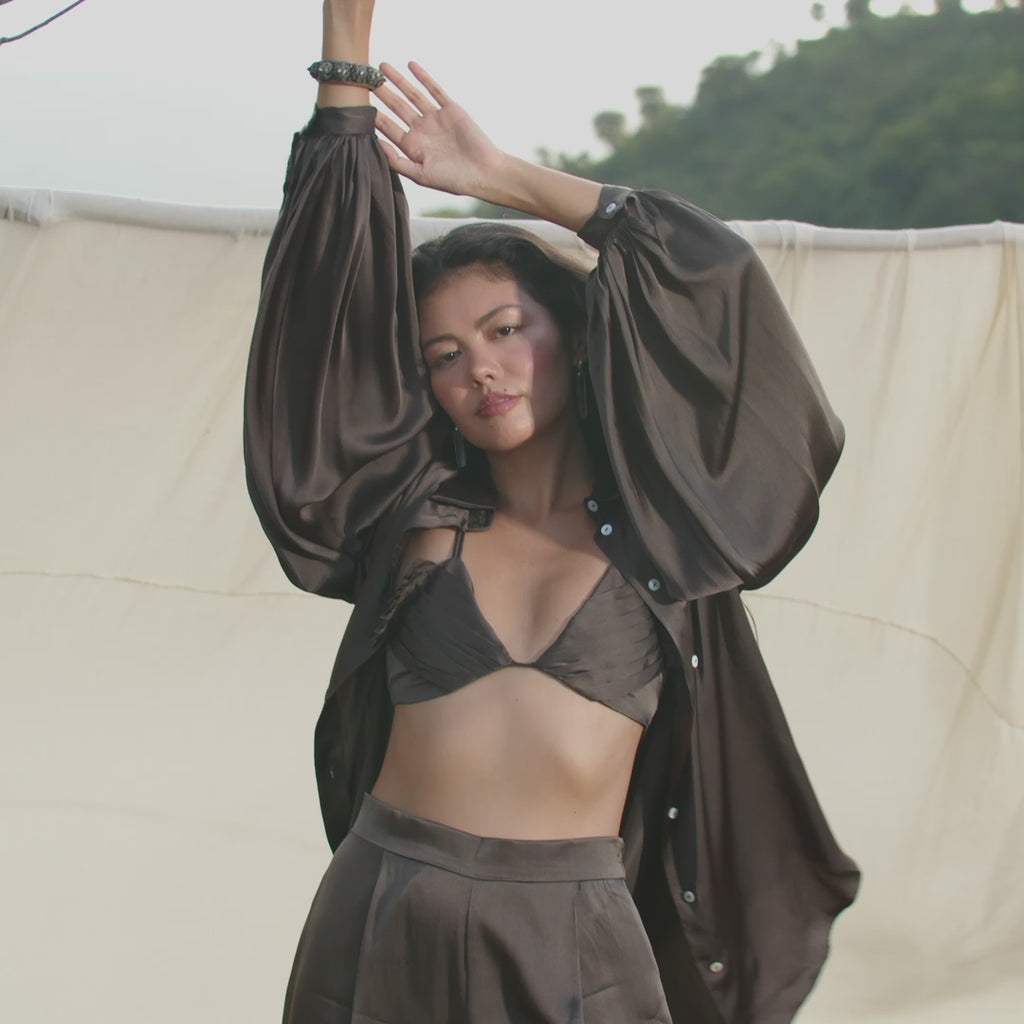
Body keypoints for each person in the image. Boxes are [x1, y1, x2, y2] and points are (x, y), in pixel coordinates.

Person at [244, 2, 861, 1022]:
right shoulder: (412, 518)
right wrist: (344, 53)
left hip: (575, 935)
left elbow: (713, 282)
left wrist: (501, 178)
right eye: (444, 356)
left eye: (505, 330)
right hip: (384, 907)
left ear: (573, 335)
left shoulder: (675, 534)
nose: (480, 369)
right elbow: (319, 317)